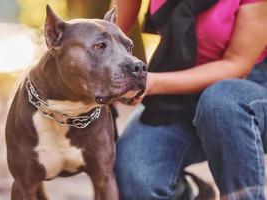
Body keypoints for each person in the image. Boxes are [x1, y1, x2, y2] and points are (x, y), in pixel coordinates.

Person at [113, 0, 267, 199]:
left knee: (221, 102)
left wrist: (149, 83)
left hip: (248, 94)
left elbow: (237, 65)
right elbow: (111, 32)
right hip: (177, 88)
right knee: (134, 179)